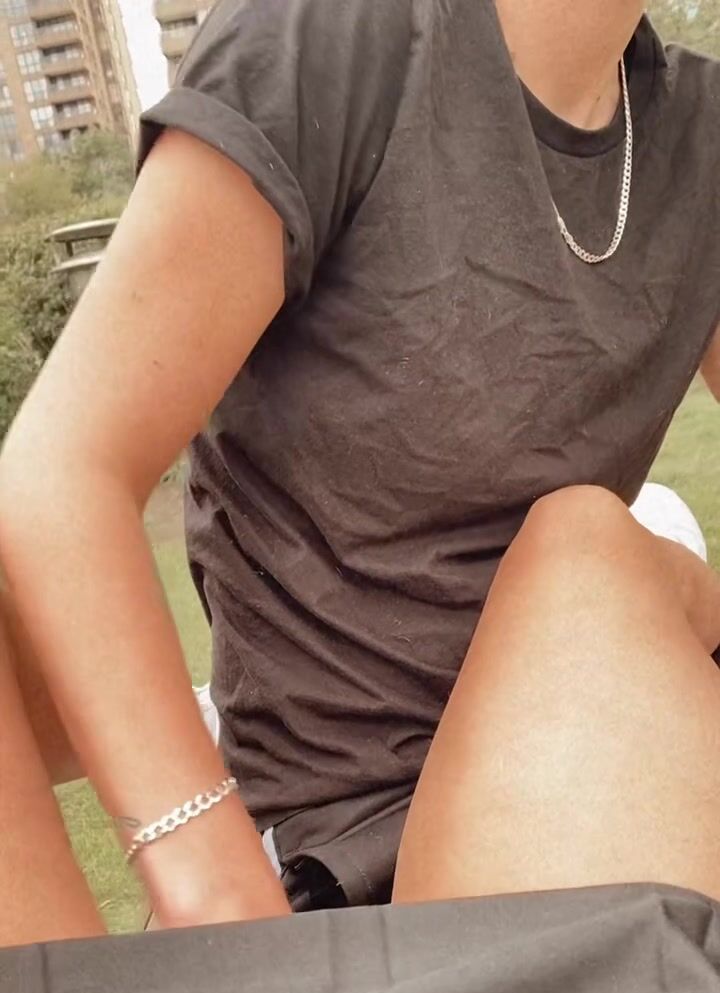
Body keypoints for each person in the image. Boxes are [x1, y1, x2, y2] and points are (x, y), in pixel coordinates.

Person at [0, 0, 718, 944]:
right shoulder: (340, 40)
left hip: (589, 746)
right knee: (596, 543)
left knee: (626, 542)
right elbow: (59, 475)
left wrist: (679, 591)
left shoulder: (698, 136)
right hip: (360, 860)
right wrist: (216, 893)